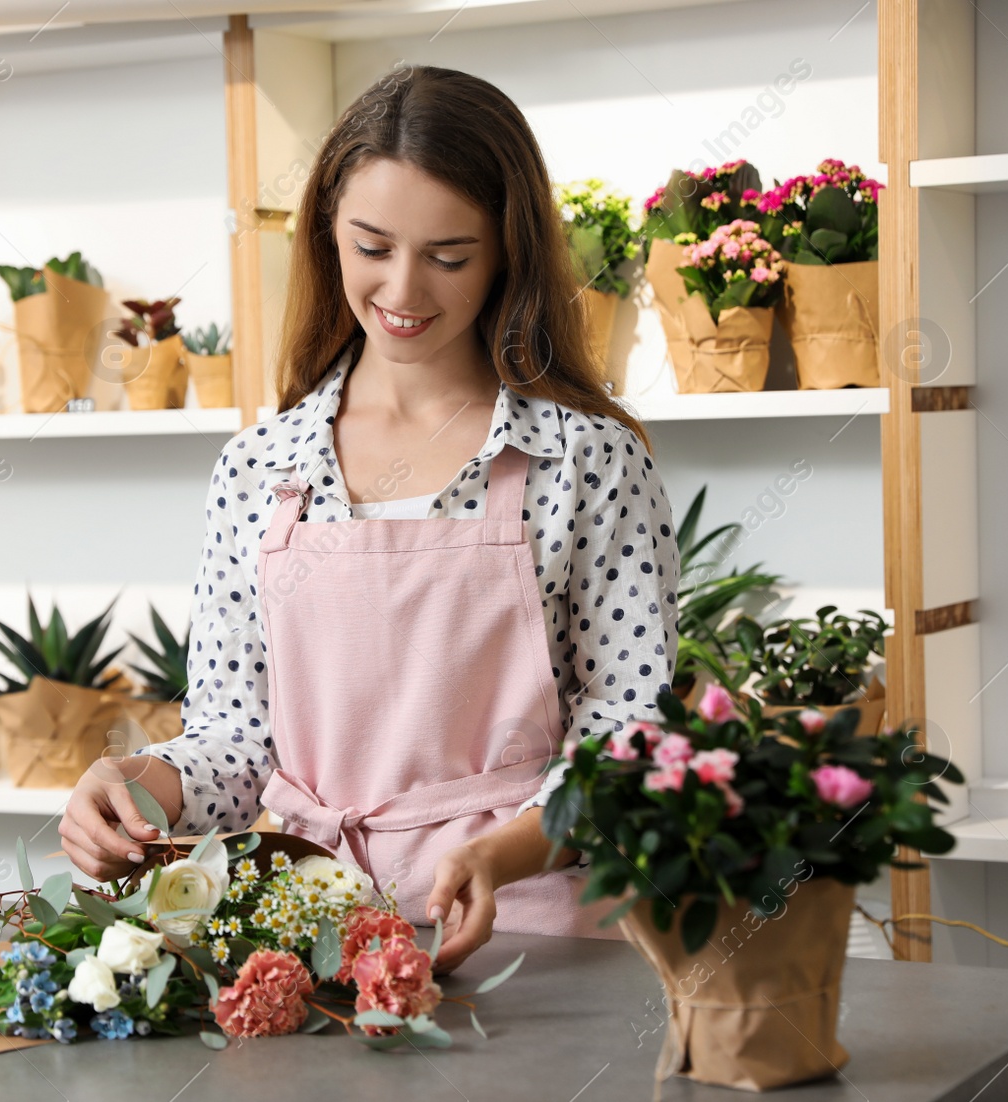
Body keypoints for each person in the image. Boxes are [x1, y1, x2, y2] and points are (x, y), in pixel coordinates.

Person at [60, 65, 679, 974]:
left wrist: (500, 854)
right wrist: (134, 787)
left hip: (534, 929)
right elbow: (237, 739)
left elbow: (632, 726)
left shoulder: (581, 462)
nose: (404, 288)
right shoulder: (260, 469)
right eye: (372, 246)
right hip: (310, 934)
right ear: (327, 236)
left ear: (508, 250)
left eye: (450, 255)